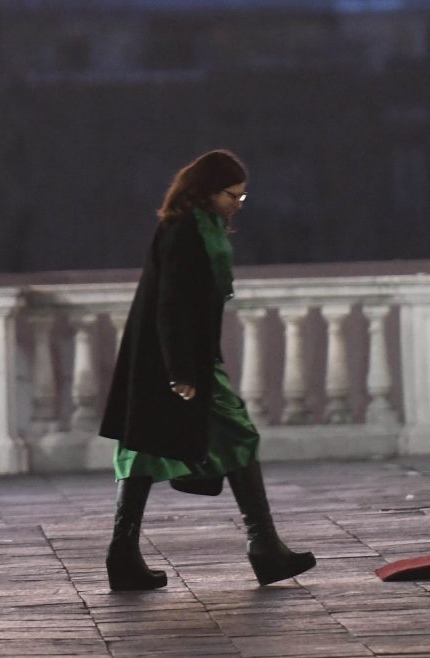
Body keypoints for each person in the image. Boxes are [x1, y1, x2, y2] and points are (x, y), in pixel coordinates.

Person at [99, 149, 315, 591]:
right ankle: (263, 547)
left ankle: (123, 556)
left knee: (141, 449)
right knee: (235, 434)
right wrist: (183, 371)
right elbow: (172, 304)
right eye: (232, 195)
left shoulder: (200, 227)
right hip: (175, 361)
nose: (238, 203)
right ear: (207, 192)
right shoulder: (185, 231)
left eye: (242, 195)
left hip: (170, 358)